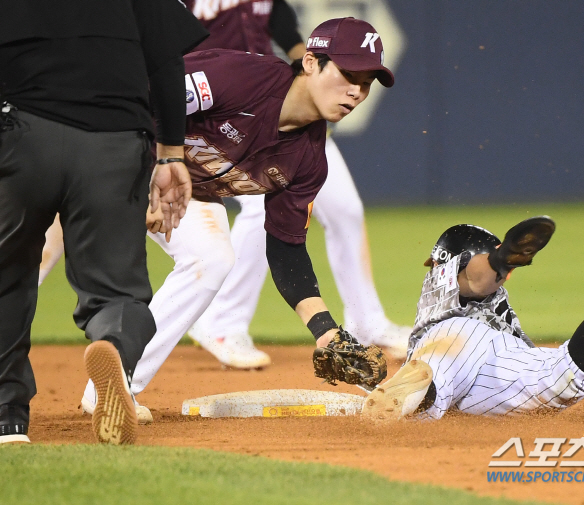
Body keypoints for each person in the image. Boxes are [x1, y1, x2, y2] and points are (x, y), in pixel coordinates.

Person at [38, 0, 411, 369]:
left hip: (182, 193)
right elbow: (139, 99)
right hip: (106, 146)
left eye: (365, 85)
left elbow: (286, 249)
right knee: (30, 248)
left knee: (213, 257)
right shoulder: (239, 76)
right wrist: (147, 169)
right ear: (311, 63)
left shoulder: (309, 161)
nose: (356, 93)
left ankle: (120, 382)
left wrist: (325, 331)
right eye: (348, 75)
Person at [0, 0, 207, 445]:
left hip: (23, 132)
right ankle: (114, 348)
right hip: (114, 141)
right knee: (120, 292)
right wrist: (171, 154)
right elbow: (167, 60)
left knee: (7, 277)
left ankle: (6, 418)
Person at [361, 217, 584, 421]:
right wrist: (499, 259)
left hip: (493, 359)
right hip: (454, 337)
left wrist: (499, 261)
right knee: (441, 366)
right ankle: (410, 396)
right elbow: (474, 278)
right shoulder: (441, 278)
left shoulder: (489, 287)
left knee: (564, 382)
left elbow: (481, 278)